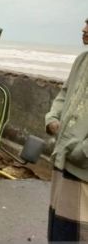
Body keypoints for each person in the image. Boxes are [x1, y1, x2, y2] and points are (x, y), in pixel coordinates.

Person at [45, 18, 88, 242]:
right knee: (60, 233)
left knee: (78, 236)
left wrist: (80, 151)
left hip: (83, 168)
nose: (84, 29)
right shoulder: (82, 60)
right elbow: (64, 93)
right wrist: (52, 119)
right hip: (65, 160)